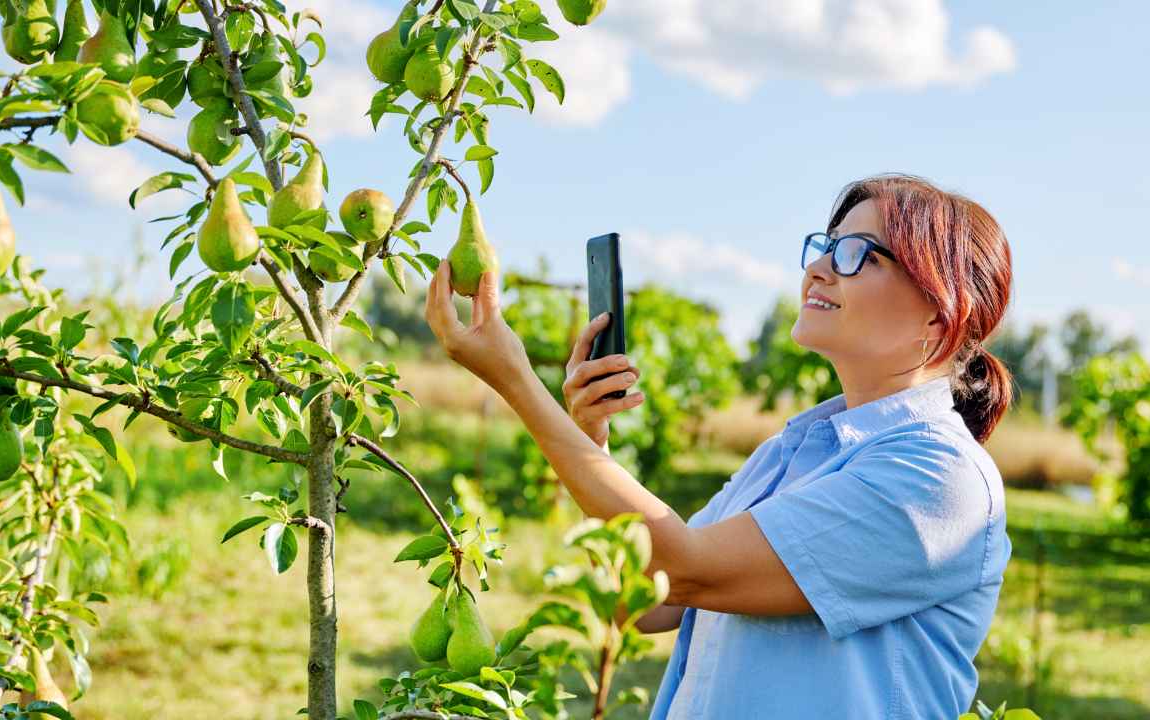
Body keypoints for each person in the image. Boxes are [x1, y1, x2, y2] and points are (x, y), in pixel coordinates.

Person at [424, 173, 1014, 719]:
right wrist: (589, 437)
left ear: (938, 318)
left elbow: (682, 572)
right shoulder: (794, 453)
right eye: (826, 245)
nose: (819, 269)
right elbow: (647, 600)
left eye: (858, 253)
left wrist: (516, 382)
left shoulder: (939, 477)